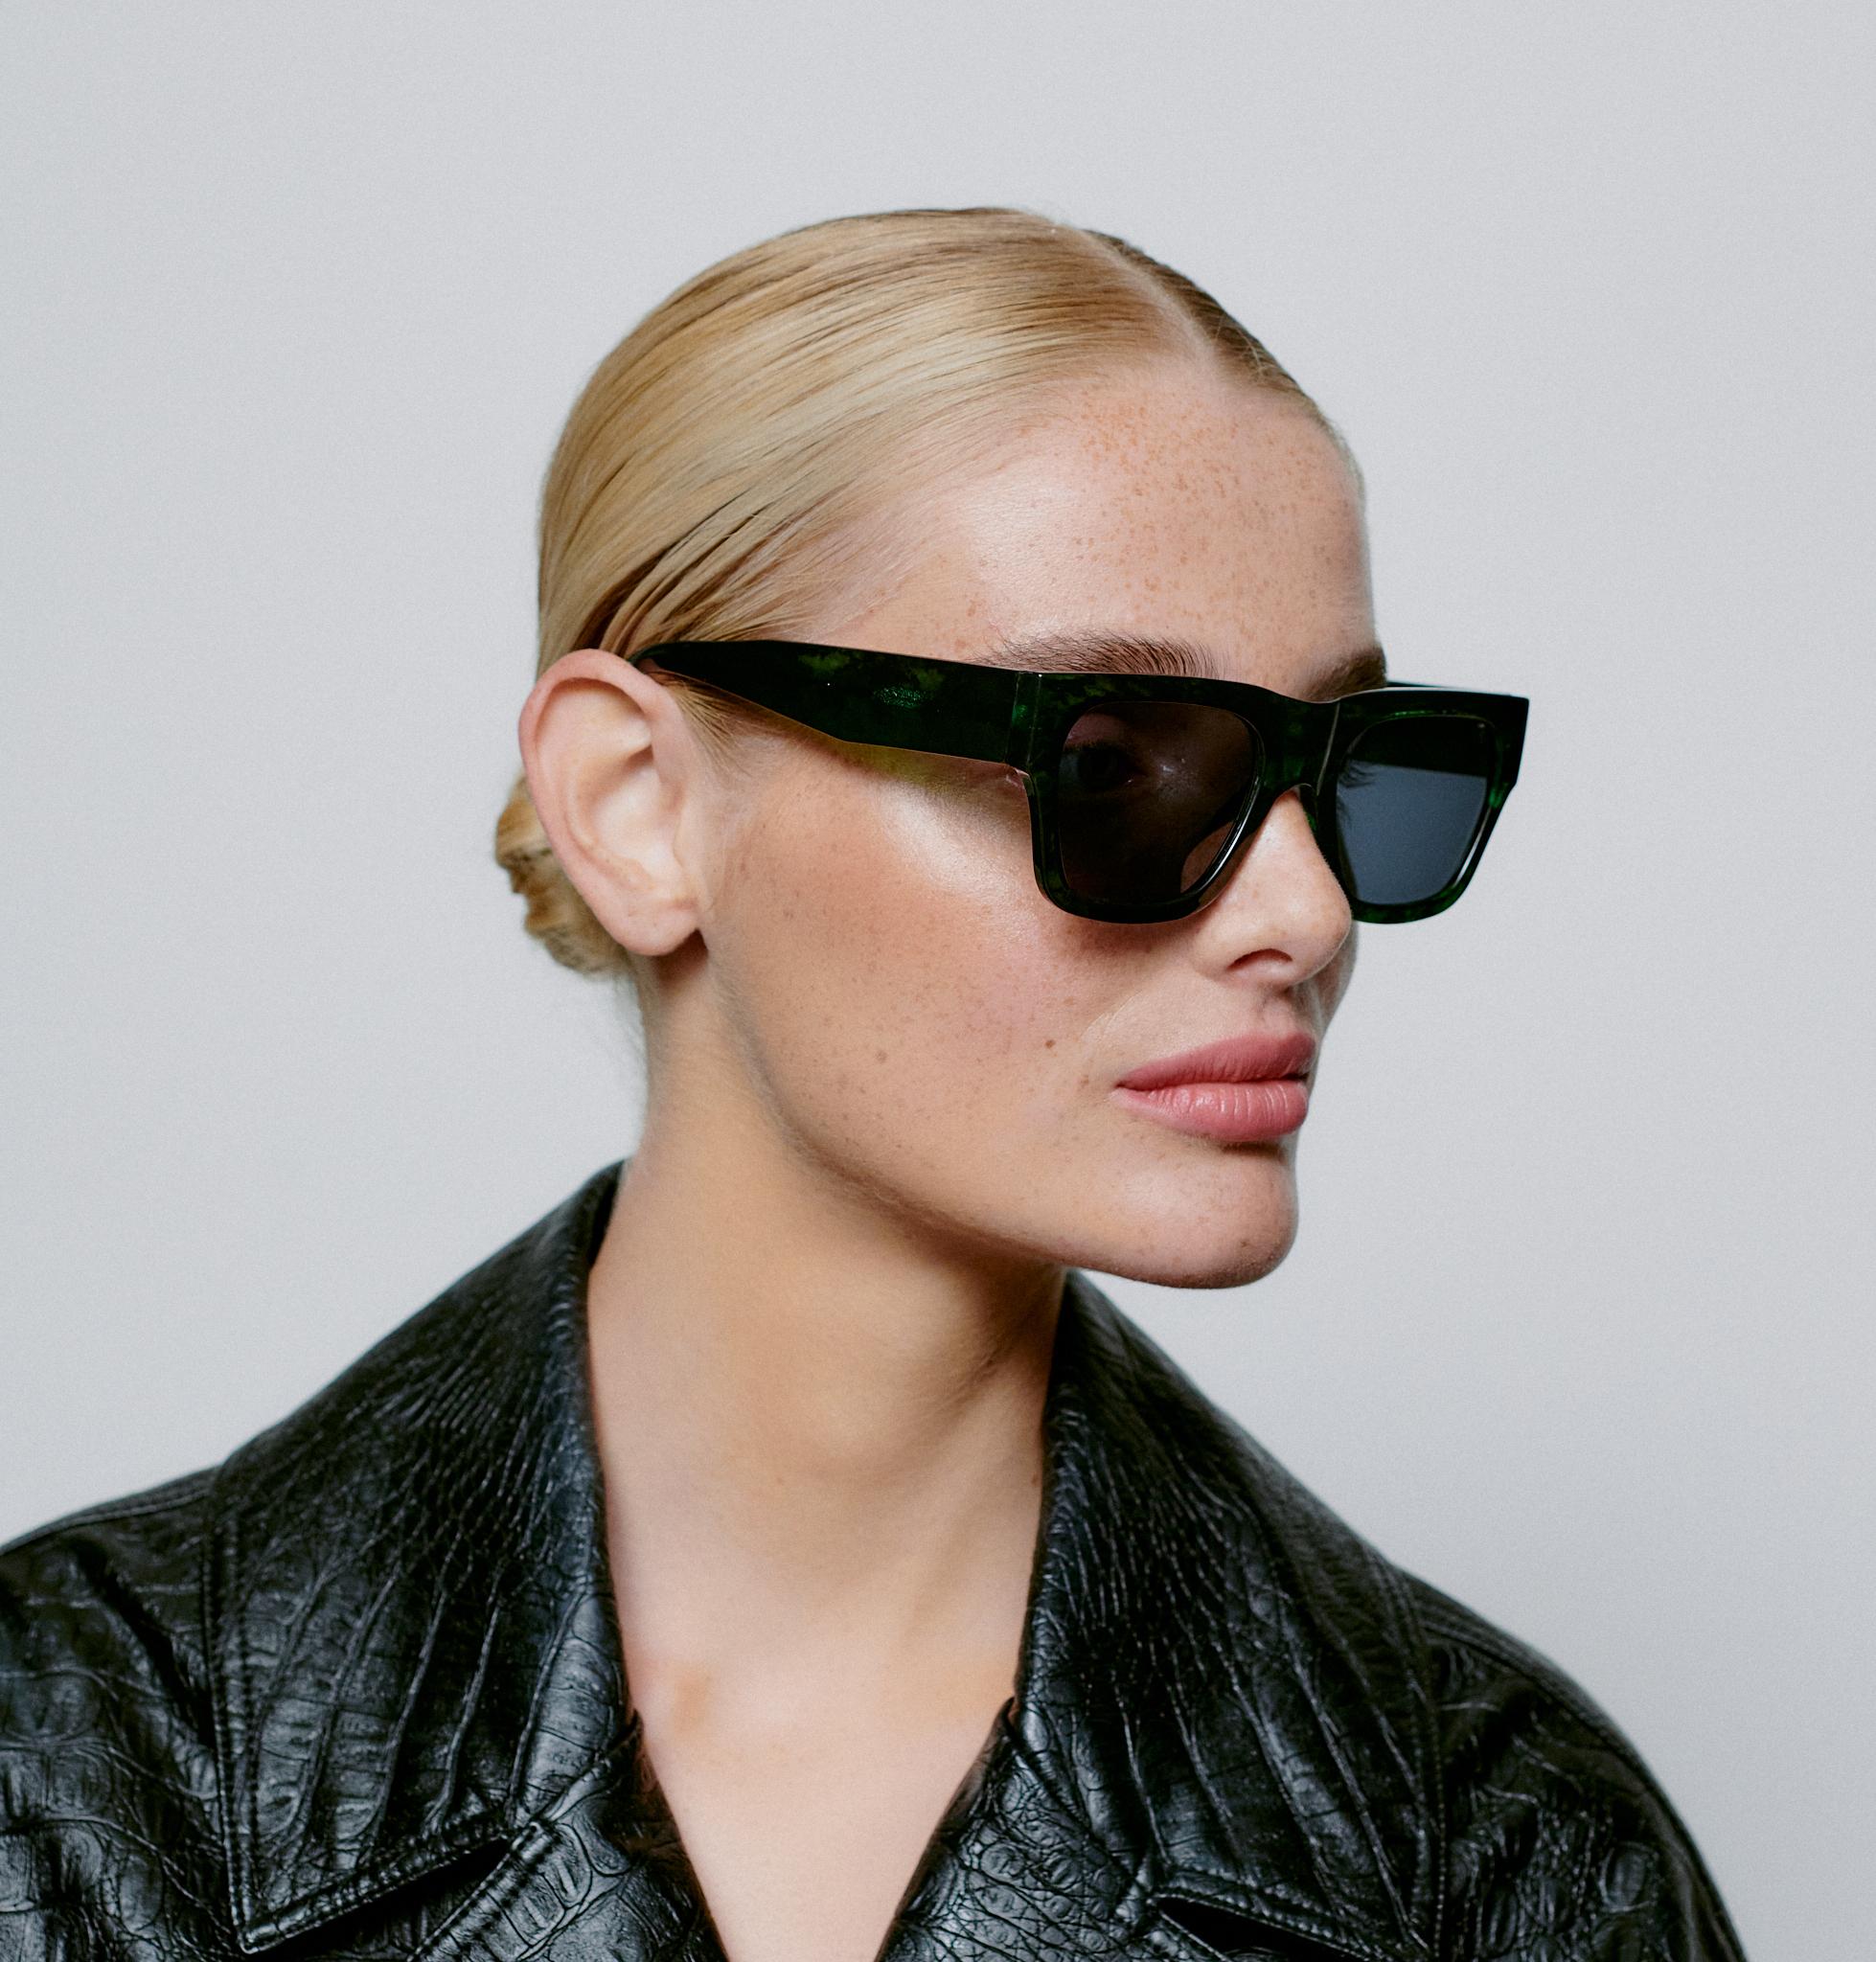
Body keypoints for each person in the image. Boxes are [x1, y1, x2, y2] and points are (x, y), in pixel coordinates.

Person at [0, 207, 1745, 1962]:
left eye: (1352, 769)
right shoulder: (67, 1768)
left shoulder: (1510, 1855)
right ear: (637, 805)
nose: (1304, 913)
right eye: (1108, 764)